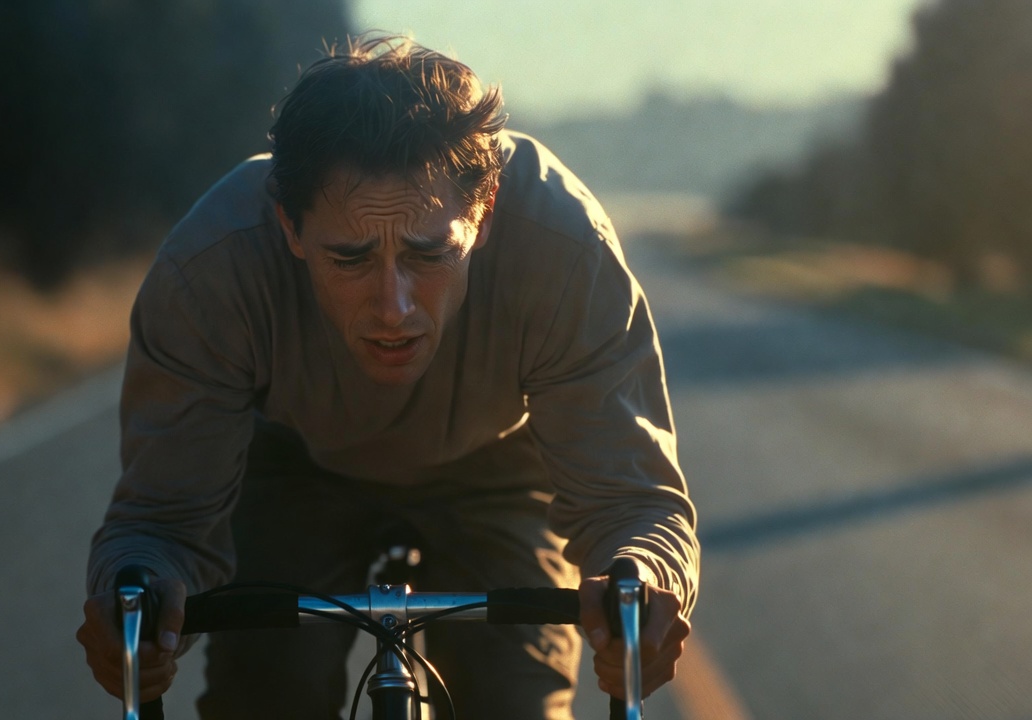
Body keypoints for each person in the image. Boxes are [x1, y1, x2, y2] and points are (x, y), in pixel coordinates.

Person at [76, 35, 698, 719]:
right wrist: (136, 601)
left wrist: (642, 583)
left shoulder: (564, 250)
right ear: (288, 224)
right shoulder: (211, 270)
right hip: (294, 464)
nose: (394, 307)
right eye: (349, 258)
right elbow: (162, 519)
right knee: (266, 691)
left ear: (483, 213)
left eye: (429, 254)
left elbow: (634, 504)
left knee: (513, 700)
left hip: (495, 468)